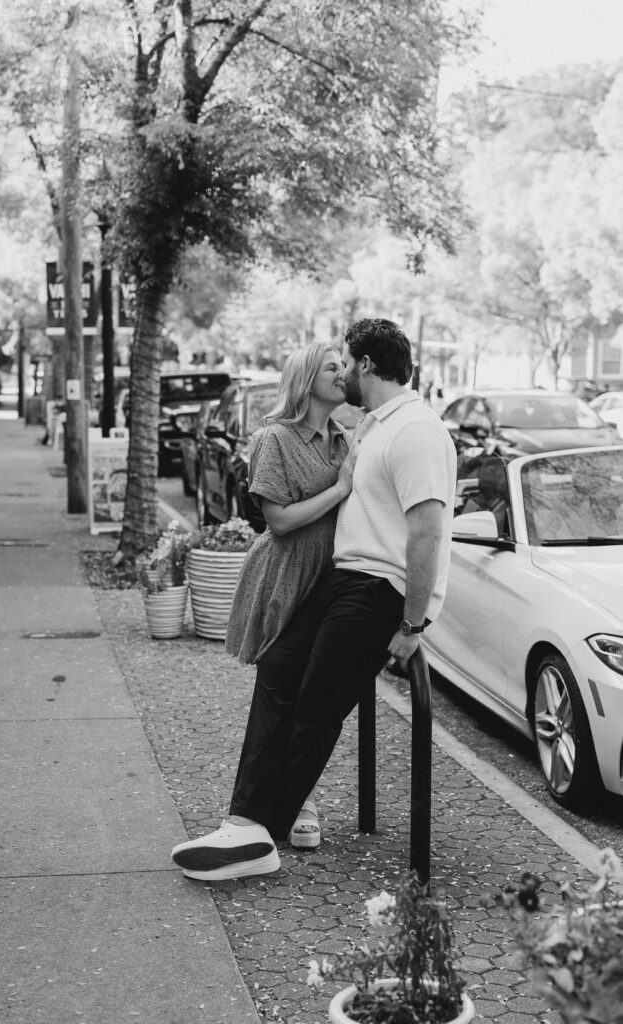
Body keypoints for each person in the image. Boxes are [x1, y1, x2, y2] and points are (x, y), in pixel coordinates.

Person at [171, 318, 457, 881]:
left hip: (380, 589)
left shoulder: (418, 431)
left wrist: (413, 624)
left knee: (316, 708)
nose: (341, 369)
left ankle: (263, 835)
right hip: (340, 578)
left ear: (367, 366)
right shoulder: (374, 426)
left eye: (346, 361)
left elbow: (426, 532)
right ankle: (245, 822)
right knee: (277, 670)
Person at [225, 343, 355, 847]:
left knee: (315, 694)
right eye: (332, 367)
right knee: (281, 687)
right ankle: (276, 806)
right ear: (306, 379)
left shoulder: (345, 439)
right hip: (284, 573)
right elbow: (277, 522)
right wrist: (339, 490)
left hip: (332, 572)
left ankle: (301, 794)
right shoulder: (274, 438)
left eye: (344, 366)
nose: (342, 373)